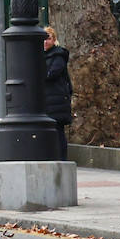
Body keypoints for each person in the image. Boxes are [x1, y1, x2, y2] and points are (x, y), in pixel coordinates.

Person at [44, 25, 73, 160]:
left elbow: (52, 74)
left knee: (58, 130)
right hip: (48, 100)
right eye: (43, 39)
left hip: (57, 100)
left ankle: (61, 158)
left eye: (48, 39)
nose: (45, 42)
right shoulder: (43, 56)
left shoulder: (58, 55)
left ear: (54, 40)